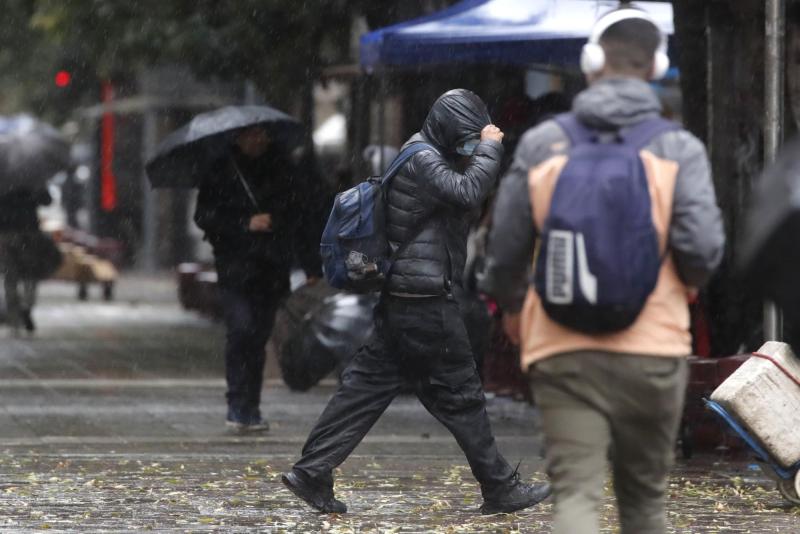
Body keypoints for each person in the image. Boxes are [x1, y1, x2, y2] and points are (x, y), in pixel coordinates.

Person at [480, 9, 725, 534]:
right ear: (656, 68)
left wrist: (514, 305)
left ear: (591, 64)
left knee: (575, 497)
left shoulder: (545, 143)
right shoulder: (679, 148)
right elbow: (702, 248)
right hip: (654, 349)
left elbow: (504, 243)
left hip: (562, 346)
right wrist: (684, 281)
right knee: (644, 504)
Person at [281, 89, 551, 515]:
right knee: (461, 395)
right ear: (448, 129)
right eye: (464, 136)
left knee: (364, 390)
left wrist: (477, 149)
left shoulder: (421, 152)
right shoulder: (423, 158)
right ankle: (499, 486)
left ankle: (312, 470)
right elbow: (468, 192)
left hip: (406, 299)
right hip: (425, 302)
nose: (469, 144)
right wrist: (489, 148)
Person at [194, 126, 323, 432]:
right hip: (236, 268)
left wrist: (310, 265)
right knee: (241, 330)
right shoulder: (221, 171)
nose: (259, 140)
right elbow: (205, 217)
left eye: (264, 134)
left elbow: (299, 218)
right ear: (238, 137)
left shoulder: (283, 169)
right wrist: (244, 223)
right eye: (252, 134)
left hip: (271, 267)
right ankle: (237, 403)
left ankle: (251, 404)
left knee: (259, 335)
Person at [0, 187, 54, 334]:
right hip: (29, 232)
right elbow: (47, 200)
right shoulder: (32, 177)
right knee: (30, 274)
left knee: (10, 277)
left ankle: (14, 316)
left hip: (6, 233)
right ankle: (27, 307)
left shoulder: (5, 177)